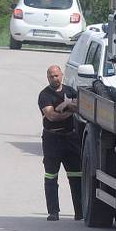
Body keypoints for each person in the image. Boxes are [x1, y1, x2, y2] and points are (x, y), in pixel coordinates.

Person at [38, 65, 82, 221]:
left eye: (56, 75)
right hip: (52, 139)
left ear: (62, 75)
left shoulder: (70, 91)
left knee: (76, 176)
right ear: (47, 77)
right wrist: (70, 109)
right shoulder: (44, 95)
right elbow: (52, 116)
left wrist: (66, 106)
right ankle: (53, 212)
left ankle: (80, 212)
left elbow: (81, 106)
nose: (54, 78)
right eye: (51, 76)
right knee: (51, 176)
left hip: (71, 138)